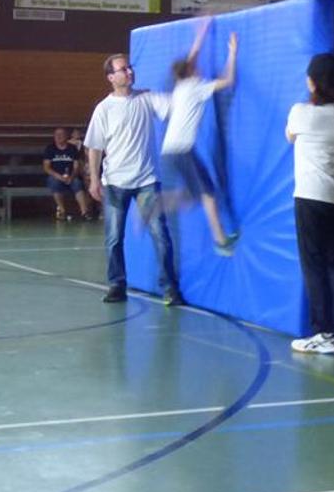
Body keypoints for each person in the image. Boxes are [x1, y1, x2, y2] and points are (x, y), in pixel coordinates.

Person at [85, 53, 183, 306]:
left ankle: (170, 288)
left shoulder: (147, 99)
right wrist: (94, 179)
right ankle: (117, 285)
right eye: (123, 69)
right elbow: (94, 147)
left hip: (146, 180)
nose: (129, 72)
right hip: (115, 182)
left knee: (160, 234)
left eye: (129, 67)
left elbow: (175, 105)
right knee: (114, 238)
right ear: (111, 77)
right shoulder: (104, 109)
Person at [286, 53, 334, 355]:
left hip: (313, 197)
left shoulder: (301, 113)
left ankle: (324, 333)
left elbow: (290, 136)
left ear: (312, 83)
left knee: (314, 266)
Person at [160, 27, 239, 254]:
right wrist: (233, 53)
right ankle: (220, 241)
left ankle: (156, 204)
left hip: (174, 150)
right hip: (181, 149)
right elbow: (228, 80)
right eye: (195, 65)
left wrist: (201, 33)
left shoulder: (181, 86)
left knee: (201, 193)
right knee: (207, 193)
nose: (199, 66)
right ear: (191, 71)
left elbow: (192, 56)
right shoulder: (195, 87)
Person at [43, 126, 92, 221]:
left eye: (61, 134)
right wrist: (59, 177)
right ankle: (62, 211)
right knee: (54, 183)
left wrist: (71, 177)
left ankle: (84, 212)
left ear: (66, 136)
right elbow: (46, 167)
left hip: (71, 176)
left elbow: (76, 166)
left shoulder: (72, 149)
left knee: (77, 183)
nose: (58, 136)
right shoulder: (50, 148)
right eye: (56, 134)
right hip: (56, 176)